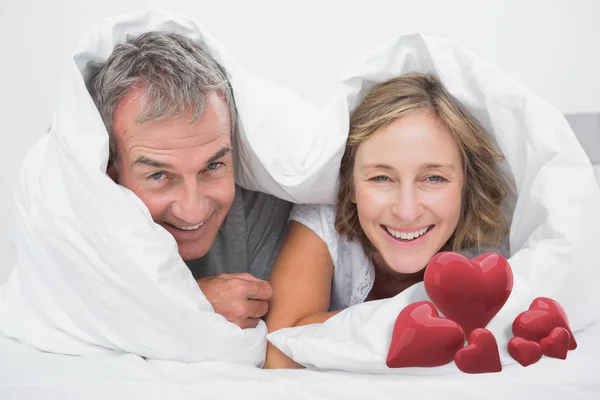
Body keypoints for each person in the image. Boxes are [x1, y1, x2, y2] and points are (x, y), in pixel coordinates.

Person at [264, 72, 509, 368]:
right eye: (381, 177)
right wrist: (405, 322)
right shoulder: (323, 222)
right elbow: (280, 352)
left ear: (466, 185)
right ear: (349, 185)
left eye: (434, 178)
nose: (407, 212)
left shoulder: (489, 255)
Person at [90, 31, 292, 329]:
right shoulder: (75, 215)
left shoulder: (268, 204)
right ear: (111, 171)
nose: (193, 210)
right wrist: (188, 303)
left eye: (212, 166)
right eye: (158, 175)